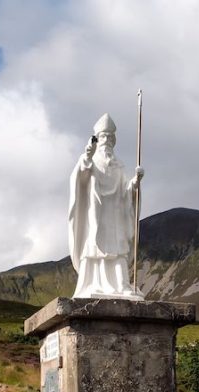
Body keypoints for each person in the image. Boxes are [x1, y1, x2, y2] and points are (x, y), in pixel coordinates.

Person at [68, 113, 144, 300]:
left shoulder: (119, 165)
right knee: (95, 246)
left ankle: (122, 285)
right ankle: (93, 283)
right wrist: (87, 154)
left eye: (110, 137)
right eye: (103, 137)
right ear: (97, 139)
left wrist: (135, 182)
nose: (107, 140)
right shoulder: (91, 160)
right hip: (96, 212)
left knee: (118, 248)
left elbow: (126, 191)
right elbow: (81, 174)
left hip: (116, 212)